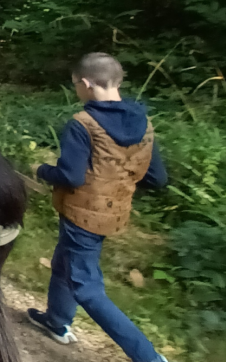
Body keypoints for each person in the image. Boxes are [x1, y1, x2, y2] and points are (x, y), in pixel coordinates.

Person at [27, 53, 169, 362]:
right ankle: (57, 321)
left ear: (87, 83)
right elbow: (157, 178)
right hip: (114, 212)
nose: (76, 90)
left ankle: (149, 357)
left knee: (87, 288)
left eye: (76, 84)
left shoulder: (83, 123)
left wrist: (40, 169)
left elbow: (70, 176)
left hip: (82, 214)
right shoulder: (143, 122)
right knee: (66, 261)